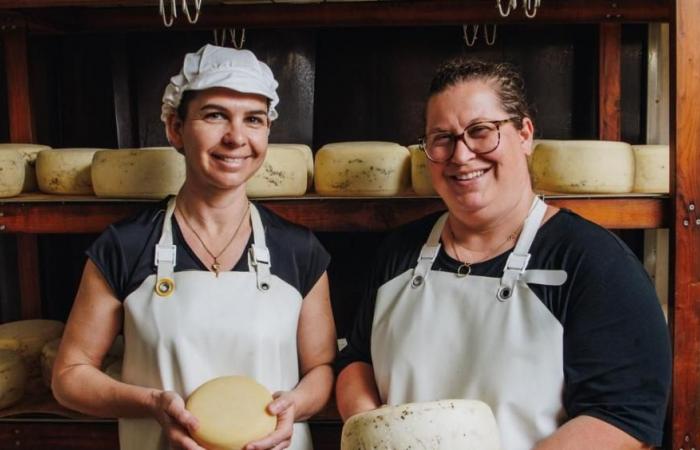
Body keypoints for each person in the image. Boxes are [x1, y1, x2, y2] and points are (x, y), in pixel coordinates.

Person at [335, 58, 671, 450]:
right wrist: (376, 434)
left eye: (481, 131)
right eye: (442, 138)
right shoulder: (399, 252)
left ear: (525, 134)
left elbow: (623, 417)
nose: (461, 156)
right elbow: (357, 360)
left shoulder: (593, 263)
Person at [52, 44, 336, 450]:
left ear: (267, 133)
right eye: (215, 114)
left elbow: (321, 369)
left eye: (253, 119)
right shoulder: (125, 246)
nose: (236, 137)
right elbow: (69, 377)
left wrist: (297, 404)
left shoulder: (299, 249)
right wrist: (150, 402)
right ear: (174, 128)